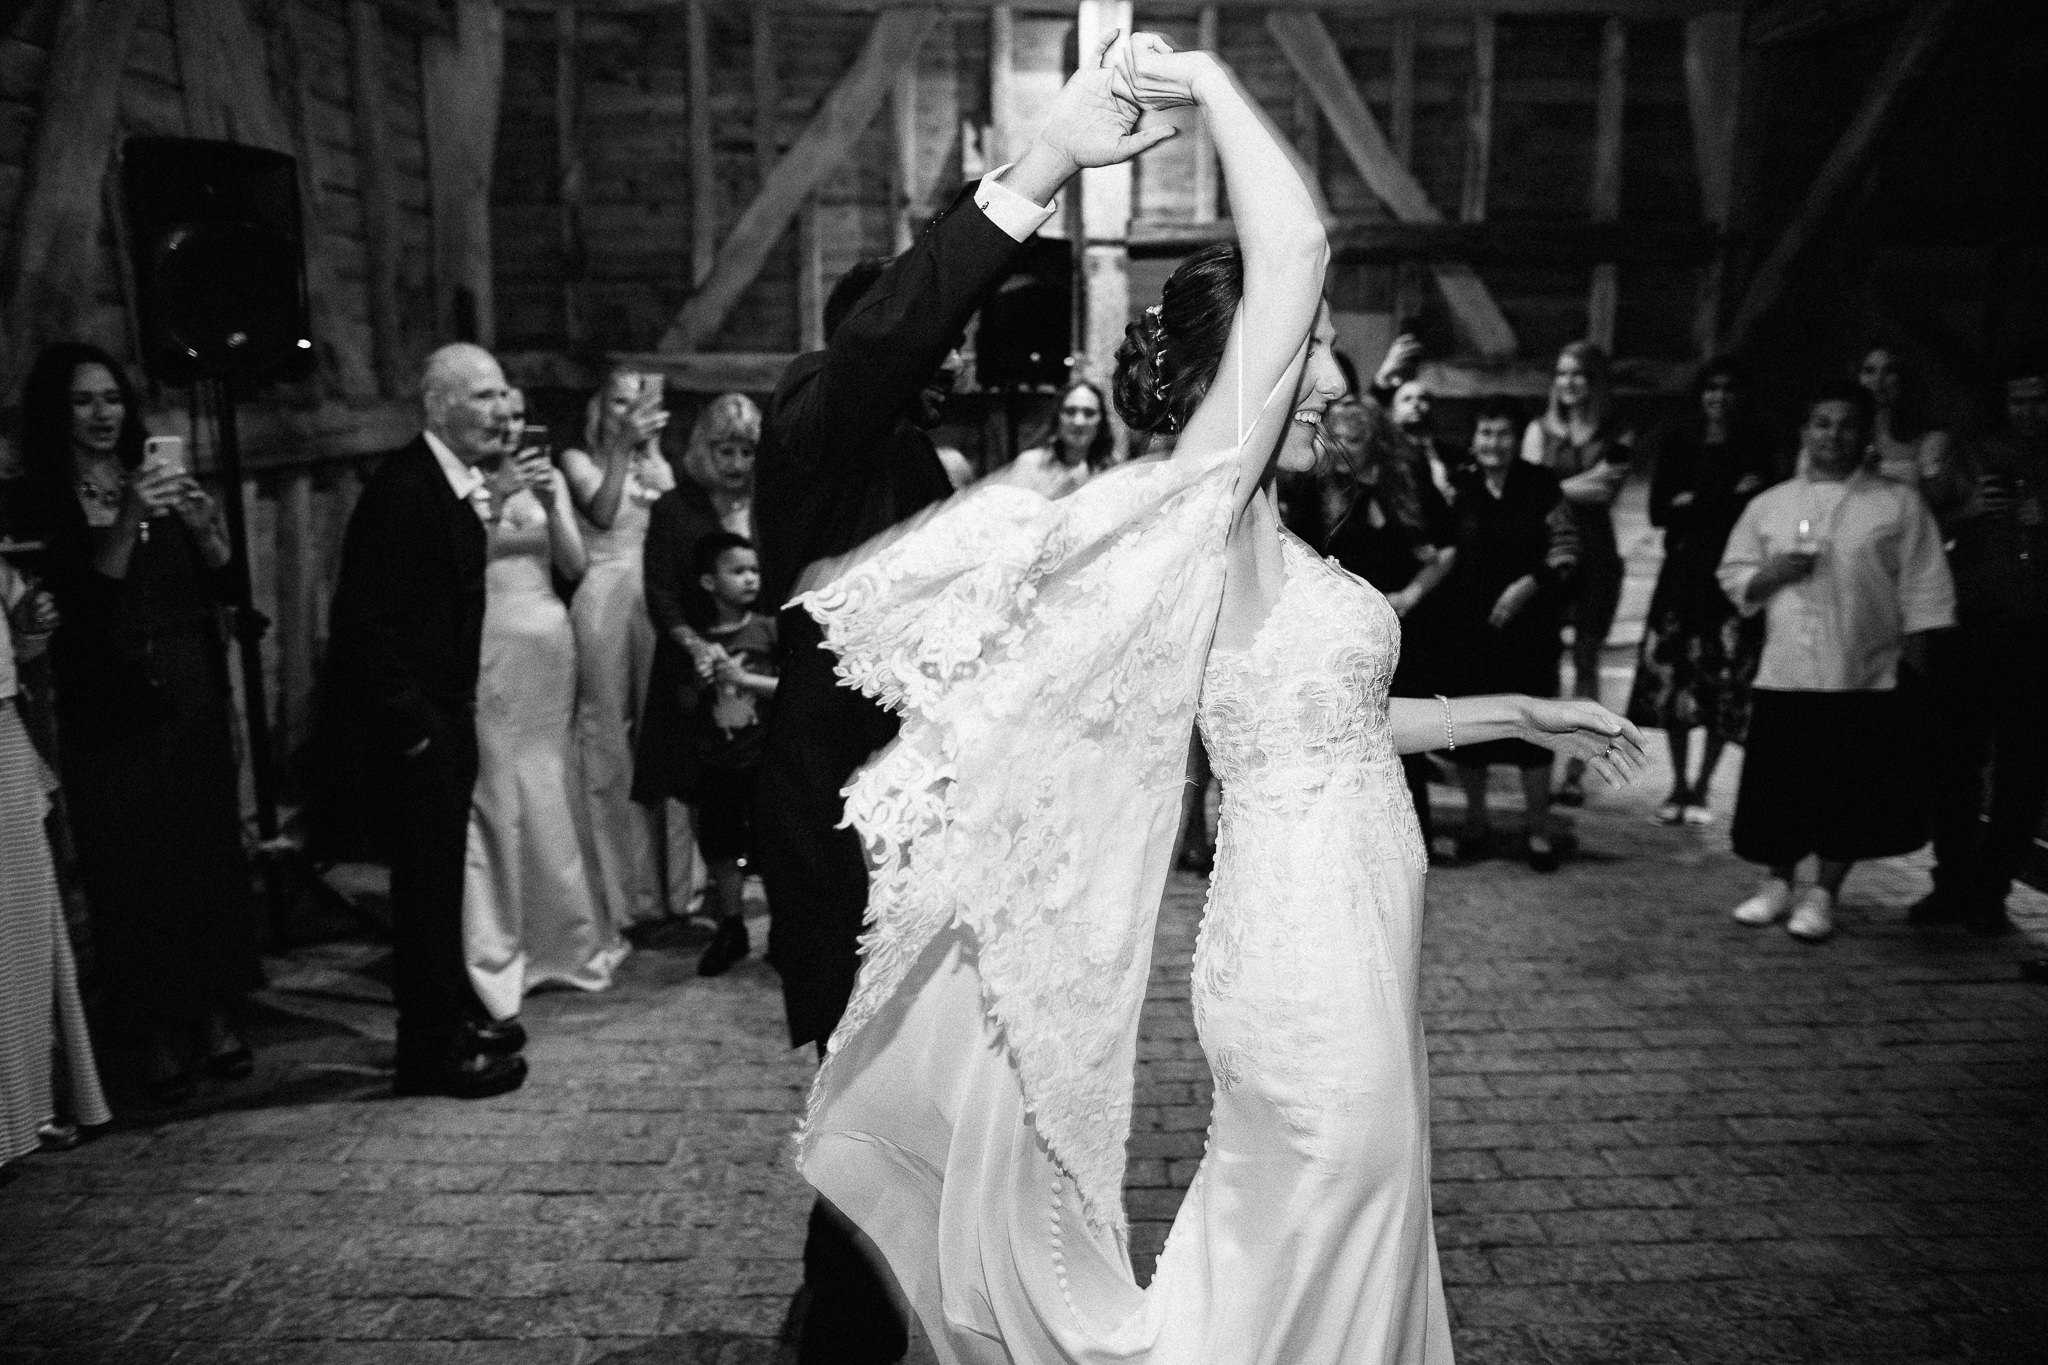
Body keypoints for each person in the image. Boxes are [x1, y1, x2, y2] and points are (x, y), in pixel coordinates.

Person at [795, 34, 1643, 1363]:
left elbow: (1326, 730)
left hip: (1363, 912)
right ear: (1235, 372)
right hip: (1298, 935)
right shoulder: (1203, 501)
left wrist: (1516, 716)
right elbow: (1298, 243)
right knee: (1333, 1197)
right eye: (1310, 356)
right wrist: (1207, 76)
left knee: (1348, 1207)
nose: (1335, 386)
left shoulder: (1267, 540)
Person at [751, 35, 1182, 1365]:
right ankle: (846, 1321)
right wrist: (1039, 166)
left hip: (938, 811)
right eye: (914, 339)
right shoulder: (814, 431)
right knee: (860, 1071)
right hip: (840, 821)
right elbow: (893, 333)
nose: (933, 361)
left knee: (932, 1078)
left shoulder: (922, 466)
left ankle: (898, 1290)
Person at [18, 343, 261, 1106]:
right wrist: (126, 518)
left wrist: (206, 525)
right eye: (84, 401)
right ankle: (153, 1030)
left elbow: (227, 584)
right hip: (108, 699)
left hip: (186, 685)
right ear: (59, 413)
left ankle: (217, 1015)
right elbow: (83, 612)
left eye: (112, 399)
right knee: (131, 863)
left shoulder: (158, 481)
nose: (101, 415)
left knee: (203, 848)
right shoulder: (45, 500)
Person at [326, 342, 526, 1098]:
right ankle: (428, 1052)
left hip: (447, 715)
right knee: (424, 892)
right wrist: (414, 728)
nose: (499, 410)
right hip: (415, 730)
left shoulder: (454, 484)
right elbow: (364, 624)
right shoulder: (404, 488)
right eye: (482, 396)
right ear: (437, 405)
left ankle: (449, 1021)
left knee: (444, 884)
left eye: (503, 394)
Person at [1719, 384, 1955, 944]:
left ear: (1865, 434)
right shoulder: (1771, 504)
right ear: (1805, 432)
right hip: (1787, 670)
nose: (1833, 436)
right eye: (1821, 424)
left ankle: (1824, 892)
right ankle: (1774, 883)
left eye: (1846, 425)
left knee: (1848, 791)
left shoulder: (1897, 504)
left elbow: (1925, 587)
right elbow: (1734, 573)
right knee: (1781, 787)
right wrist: (1773, 573)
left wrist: (1918, 669)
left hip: (1864, 672)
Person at [461, 393, 623, 1026]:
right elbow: (458, 570)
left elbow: (575, 565)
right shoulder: (466, 483)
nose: (508, 424)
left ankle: (570, 939)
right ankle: (503, 943)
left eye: (517, 413)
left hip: (550, 643)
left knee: (552, 778)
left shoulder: (547, 475)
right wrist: (498, 500)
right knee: (503, 786)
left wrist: (553, 504)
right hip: (490, 643)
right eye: (497, 413)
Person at [1913, 357, 2048, 938]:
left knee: (2024, 769)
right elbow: (1919, 520)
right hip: (1970, 626)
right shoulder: (1970, 452)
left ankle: (1992, 891)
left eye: (2039, 401)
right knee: (1955, 764)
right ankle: (1952, 884)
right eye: (2018, 401)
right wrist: (1963, 511)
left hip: (2038, 632)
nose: (2028, 412)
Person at [1297, 393, 1456, 852]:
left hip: (1403, 625)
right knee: (1343, 731)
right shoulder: (1319, 485)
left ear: (1375, 441)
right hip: (1340, 631)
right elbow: (1303, 557)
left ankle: (1410, 837)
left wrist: (1411, 595)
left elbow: (1445, 549)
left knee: (1400, 735)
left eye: (1356, 439)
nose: (1345, 448)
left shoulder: (1405, 479)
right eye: (1339, 439)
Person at [1436, 397, 1583, 871]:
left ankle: (1537, 828)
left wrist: (1528, 584)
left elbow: (1566, 548)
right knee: (1472, 728)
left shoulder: (1541, 485)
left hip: (1530, 629)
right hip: (1468, 630)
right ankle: (1476, 822)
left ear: (1517, 440)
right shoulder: (1461, 487)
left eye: (1501, 434)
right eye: (1484, 433)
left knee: (1534, 727)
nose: (1492, 443)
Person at [1625, 358, 1774, 824]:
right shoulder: (1680, 441)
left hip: (1730, 576)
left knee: (1721, 678)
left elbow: (1757, 510)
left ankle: (1705, 786)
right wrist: (1727, 496)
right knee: (1678, 678)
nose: (1720, 397)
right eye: (1712, 388)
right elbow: (1659, 512)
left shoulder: (1755, 444)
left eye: (1730, 388)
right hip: (1683, 576)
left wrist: (1696, 501)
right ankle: (1678, 783)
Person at [634, 393, 761, 926]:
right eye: (724, 451)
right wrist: (696, 646)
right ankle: (705, 899)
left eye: (746, 452)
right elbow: (659, 591)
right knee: (698, 787)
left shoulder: (770, 503)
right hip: (694, 661)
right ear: (703, 450)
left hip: (759, 659)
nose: (736, 464)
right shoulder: (673, 509)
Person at [0, 558, 110, 1168]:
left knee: (25, 936)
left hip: (3, 733)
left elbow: (19, 646)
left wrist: (26, 629)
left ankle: (27, 1110)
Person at [561, 369, 673, 934]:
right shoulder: (578, 461)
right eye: (617, 403)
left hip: (654, 595)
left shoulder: (660, 466)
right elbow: (601, 514)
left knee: (659, 734)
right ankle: (620, 889)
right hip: (605, 593)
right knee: (607, 734)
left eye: (638, 403)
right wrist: (623, 451)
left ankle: (671, 883)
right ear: (599, 410)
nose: (628, 413)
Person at [1523, 340, 1634, 806]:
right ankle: (1537, 766)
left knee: (1587, 659)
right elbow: (1527, 495)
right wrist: (1571, 487)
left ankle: (1576, 769)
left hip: (1597, 556)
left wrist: (1550, 486)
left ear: (1595, 381)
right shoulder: (1536, 429)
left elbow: (1606, 490)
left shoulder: (1617, 432)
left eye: (1578, 374)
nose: (1568, 383)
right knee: (1541, 661)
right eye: (1562, 374)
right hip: (1549, 552)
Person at [680, 533, 777, 977]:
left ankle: (783, 931)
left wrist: (744, 678)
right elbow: (683, 705)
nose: (749, 579)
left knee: (770, 844)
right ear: (708, 581)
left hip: (761, 760)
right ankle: (732, 925)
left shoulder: (767, 629)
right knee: (720, 844)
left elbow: (790, 689)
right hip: (717, 760)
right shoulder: (699, 640)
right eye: (737, 571)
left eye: (754, 570)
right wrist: (701, 680)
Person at [995, 379, 1115, 498]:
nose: (1079, 422)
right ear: (1058, 418)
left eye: (1089, 413)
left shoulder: (1112, 472)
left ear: (1101, 421)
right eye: (1070, 411)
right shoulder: (1029, 464)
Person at [1855, 345, 1952, 493]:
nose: (1878, 379)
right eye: (1869, 371)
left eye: (1889, 371)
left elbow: (1939, 501)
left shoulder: (1929, 439)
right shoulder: (1842, 433)